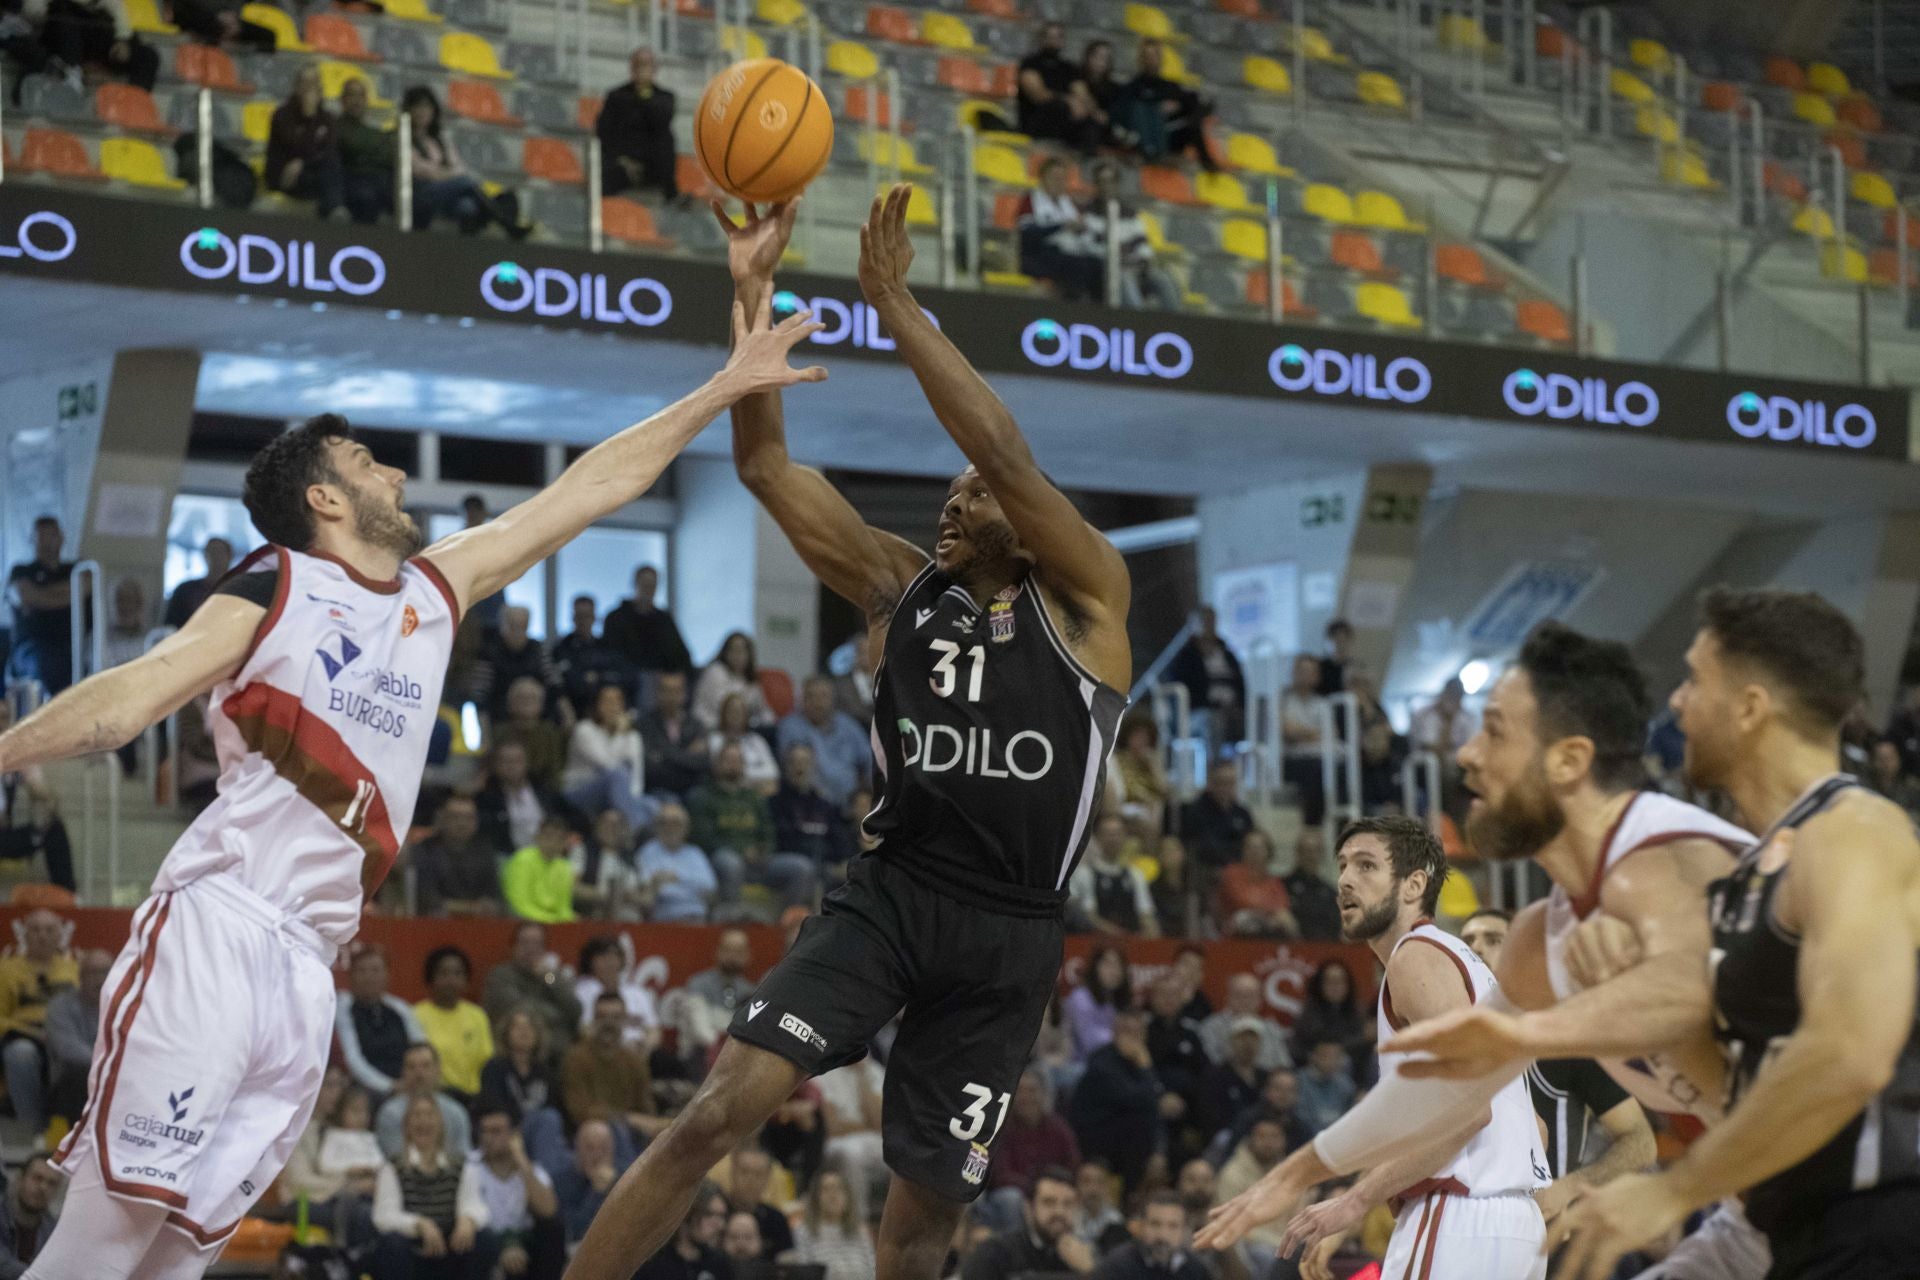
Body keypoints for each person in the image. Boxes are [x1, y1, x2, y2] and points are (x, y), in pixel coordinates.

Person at [566, 189, 1132, 1280]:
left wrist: (894, 302)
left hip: (1011, 934)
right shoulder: (894, 586)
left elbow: (1006, 450)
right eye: (951, 487)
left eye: (977, 492)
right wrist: (751, 289)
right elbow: (767, 470)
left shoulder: (1089, 603)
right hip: (892, 892)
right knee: (710, 1117)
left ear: (1031, 521)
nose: (957, 496)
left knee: (919, 1225)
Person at [1208, 623, 1766, 1280]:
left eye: (1495, 731)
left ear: (1566, 759)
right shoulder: (1538, 938)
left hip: (1847, 1195)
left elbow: (1848, 1061)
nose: (1466, 753)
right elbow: (1468, 1089)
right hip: (1752, 1214)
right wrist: (1305, 1175)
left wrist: (1673, 1189)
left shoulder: (1685, 868)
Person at [1540, 592, 1920, 1280]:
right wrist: (1634, 1000)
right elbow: (1737, 1089)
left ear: (1748, 708)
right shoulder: (1758, 867)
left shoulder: (1853, 829)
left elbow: (1851, 1052)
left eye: (1693, 680)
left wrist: (1673, 1189)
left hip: (1884, 1221)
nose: (1677, 703)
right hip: (1795, 1225)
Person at [1199, 817, 1549, 1279]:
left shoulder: (1415, 957)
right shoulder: (1465, 965)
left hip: (1458, 1217)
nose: (1345, 879)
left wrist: (1355, 1201)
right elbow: (1533, 1126)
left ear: (1413, 884)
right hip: (1510, 1225)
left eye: (1366, 866)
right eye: (1342, 865)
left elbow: (1469, 1109)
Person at [1457, 909, 1656, 1241]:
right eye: (1467, 942)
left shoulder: (1564, 1041)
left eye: (1492, 940)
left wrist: (1568, 1188)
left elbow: (1642, 1141)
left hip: (1547, 1238)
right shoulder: (1454, 1046)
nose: (1476, 949)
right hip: (1471, 1234)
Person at [370, 1094, 494, 1280]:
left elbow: (477, 1206)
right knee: (392, 1243)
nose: (423, 1121)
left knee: (484, 1238)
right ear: (406, 1126)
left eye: (429, 1115)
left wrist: (468, 1219)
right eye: (417, 1115)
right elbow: (383, 1216)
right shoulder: (393, 1167)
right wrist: (420, 1224)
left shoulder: (460, 1165)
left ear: (441, 1123)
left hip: (450, 1250)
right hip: (412, 1253)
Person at [692, 743, 814, 919]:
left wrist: (764, 850)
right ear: (717, 765)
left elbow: (768, 829)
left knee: (801, 867)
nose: (733, 764)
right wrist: (742, 852)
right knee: (731, 863)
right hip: (721, 861)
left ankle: (790, 925)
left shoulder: (753, 797)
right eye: (728, 760)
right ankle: (731, 919)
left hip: (758, 862)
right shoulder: (703, 797)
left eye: (738, 760)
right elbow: (704, 839)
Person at [397, 84, 529, 237]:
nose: (422, 112)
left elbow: (458, 168)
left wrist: (444, 175)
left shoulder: (439, 141)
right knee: (466, 182)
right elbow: (421, 171)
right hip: (423, 194)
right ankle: (506, 222)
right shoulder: (403, 139)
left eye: (427, 106)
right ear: (409, 110)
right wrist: (448, 176)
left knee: (467, 207)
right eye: (418, 106)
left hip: (449, 194)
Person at [1069, 1008, 1173, 1194]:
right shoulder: (1102, 1062)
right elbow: (1137, 1098)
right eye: (1127, 1032)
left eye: (1137, 1033)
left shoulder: (1137, 1060)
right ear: (1115, 1033)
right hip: (1093, 1137)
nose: (1133, 1040)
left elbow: (1152, 1106)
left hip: (1124, 1136)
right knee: (1139, 1125)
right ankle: (1131, 1198)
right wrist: (1145, 1066)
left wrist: (1159, 1150)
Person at [0, 909, 76, 1137]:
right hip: (24, 1036)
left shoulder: (74, 970)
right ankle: (32, 1132)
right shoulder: (6, 970)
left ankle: (74, 1132)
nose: (42, 936)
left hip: (67, 1036)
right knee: (20, 1053)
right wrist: (31, 1032)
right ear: (24, 935)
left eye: (49, 930)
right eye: (35, 930)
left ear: (60, 935)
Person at [469, 1102, 564, 1280]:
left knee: (554, 1228)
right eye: (484, 1131)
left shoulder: (531, 1169)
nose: (488, 1138)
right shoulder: (469, 1166)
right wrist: (503, 1247)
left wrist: (520, 1160)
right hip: (486, 1243)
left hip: (525, 1244)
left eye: (496, 1131)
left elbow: (549, 1210)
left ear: (514, 1135)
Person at [562, 992, 666, 1140]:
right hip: (592, 1136)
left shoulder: (634, 1060)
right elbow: (579, 1111)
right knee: (606, 1130)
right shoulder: (576, 1058)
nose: (609, 1024)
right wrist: (627, 1119)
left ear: (625, 1021)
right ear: (593, 1021)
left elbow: (646, 1109)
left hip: (632, 1135)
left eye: (616, 1017)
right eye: (602, 1017)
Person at [961, 1168, 1094, 1280]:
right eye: (1049, 1202)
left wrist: (1089, 1271)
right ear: (1028, 1208)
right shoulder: (995, 1252)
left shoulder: (1085, 1256)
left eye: (1068, 1204)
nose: (1059, 1212)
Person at [1081, 162, 1180, 310]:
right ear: (1096, 184)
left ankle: (1177, 327)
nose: (1106, 186)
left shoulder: (1130, 214)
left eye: (1111, 181)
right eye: (1102, 181)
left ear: (1117, 184)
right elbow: (1088, 246)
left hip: (1136, 267)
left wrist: (1141, 261)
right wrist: (1116, 258)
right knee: (1125, 278)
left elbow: (1143, 244)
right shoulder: (1087, 213)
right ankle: (1138, 324)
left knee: (1163, 278)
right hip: (1105, 271)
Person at [337, 944, 428, 1095]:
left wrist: (416, 1081)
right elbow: (353, 1060)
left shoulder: (400, 1009)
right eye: (362, 970)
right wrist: (390, 1087)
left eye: (375, 970)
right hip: (365, 1089)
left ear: (387, 975)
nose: (369, 977)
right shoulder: (343, 1010)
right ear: (351, 975)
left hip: (408, 1086)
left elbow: (421, 1048)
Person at [484, 922, 585, 1054]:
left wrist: (549, 977)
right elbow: (521, 1010)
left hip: (557, 1054)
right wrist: (556, 1015)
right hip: (513, 1052)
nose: (531, 949)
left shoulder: (550, 976)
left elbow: (575, 1009)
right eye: (525, 943)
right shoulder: (501, 976)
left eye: (537, 944)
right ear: (513, 947)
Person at [563, 684, 653, 832]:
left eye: (618, 702)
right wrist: (621, 732)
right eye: (607, 702)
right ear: (597, 705)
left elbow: (637, 774)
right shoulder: (584, 729)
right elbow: (607, 765)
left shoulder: (633, 735)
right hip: (580, 791)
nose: (613, 707)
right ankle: (634, 835)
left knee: (654, 806)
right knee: (617, 775)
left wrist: (632, 800)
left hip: (617, 793)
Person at [1119, 39, 1218, 169]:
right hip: (1145, 136)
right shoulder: (1132, 87)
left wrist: (1177, 106)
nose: (1152, 59)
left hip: (1169, 135)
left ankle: (1206, 162)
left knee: (1195, 113)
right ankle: (1154, 155)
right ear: (1141, 59)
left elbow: (1199, 103)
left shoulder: (1170, 86)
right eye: (1148, 55)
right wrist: (1156, 108)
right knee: (1142, 111)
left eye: (1155, 55)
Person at [1017, 158, 1105, 303]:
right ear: (1043, 179)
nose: (1059, 183)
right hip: (1039, 253)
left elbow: (1080, 231)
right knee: (1077, 266)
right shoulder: (1030, 200)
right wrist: (1060, 227)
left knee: (1097, 265)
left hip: (1067, 252)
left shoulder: (1067, 203)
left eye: (1062, 179)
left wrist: (1080, 229)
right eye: (1054, 178)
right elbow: (1026, 233)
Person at [413, 946, 494, 1101]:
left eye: (458, 974)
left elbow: (487, 1063)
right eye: (444, 973)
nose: (451, 980)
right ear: (431, 977)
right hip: (433, 1098)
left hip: (474, 1099)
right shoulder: (416, 1015)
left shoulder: (477, 1016)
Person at [5, 517, 74, 697]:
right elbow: (24, 595)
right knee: (48, 663)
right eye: (41, 536)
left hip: (73, 645)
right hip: (32, 648)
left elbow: (85, 586)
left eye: (52, 535)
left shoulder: (76, 569)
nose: (47, 541)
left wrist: (40, 596)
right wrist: (67, 594)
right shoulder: (20, 571)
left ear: (61, 537)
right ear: (32, 539)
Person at [776, 676, 869, 808]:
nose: (818, 703)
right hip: (811, 803)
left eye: (824, 696)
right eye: (811, 696)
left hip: (851, 801)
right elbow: (792, 767)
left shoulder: (848, 725)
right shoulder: (790, 726)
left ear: (833, 699)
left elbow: (870, 760)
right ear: (802, 700)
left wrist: (867, 791)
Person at [598, 47, 678, 200]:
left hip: (654, 166)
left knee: (667, 139)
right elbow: (604, 131)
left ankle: (672, 198)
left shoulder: (665, 97)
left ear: (654, 69)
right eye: (638, 64)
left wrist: (644, 93)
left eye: (646, 65)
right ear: (631, 68)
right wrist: (622, 160)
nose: (641, 69)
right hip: (621, 164)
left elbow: (661, 120)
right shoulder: (616, 96)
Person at [1211, 1118, 1296, 1256]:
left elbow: (1299, 1217)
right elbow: (1229, 1223)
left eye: (1274, 1136)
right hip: (1245, 1244)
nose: (1268, 1143)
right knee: (1263, 1253)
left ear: (1284, 1141)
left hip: (1284, 1245)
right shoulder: (1232, 1174)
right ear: (1250, 1140)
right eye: (1262, 1136)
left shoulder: (1293, 1173)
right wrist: (1277, 1242)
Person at [266, 67, 343, 218]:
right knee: (323, 175)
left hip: (312, 172)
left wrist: (303, 163)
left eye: (314, 83)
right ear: (296, 87)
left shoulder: (328, 118)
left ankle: (335, 210)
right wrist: (309, 117)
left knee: (330, 168)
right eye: (305, 83)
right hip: (286, 174)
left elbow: (329, 152)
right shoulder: (282, 115)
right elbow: (294, 148)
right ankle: (334, 209)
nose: (309, 88)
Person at [376, 1042, 473, 1162]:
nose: (419, 1073)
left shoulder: (456, 1112)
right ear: (403, 1073)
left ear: (438, 1071)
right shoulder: (390, 1114)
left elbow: (463, 1159)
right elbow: (395, 1159)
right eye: (412, 1067)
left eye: (426, 1066)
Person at [43, 947, 107, 1127]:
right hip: (69, 1082)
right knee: (79, 1073)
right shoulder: (60, 1006)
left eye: (106, 972)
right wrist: (108, 1065)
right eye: (93, 973)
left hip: (111, 1075)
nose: (100, 979)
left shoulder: (124, 1007)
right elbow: (68, 1050)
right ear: (80, 976)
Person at [411, 796, 505, 916]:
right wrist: (470, 908)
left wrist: (488, 905)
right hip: (433, 924)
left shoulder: (485, 850)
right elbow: (426, 898)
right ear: (442, 819)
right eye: (455, 817)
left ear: (476, 821)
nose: (462, 824)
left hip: (478, 923)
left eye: (468, 818)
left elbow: (494, 896)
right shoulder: (424, 849)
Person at [769, 743, 857, 872]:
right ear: (785, 767)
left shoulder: (824, 804)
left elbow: (838, 837)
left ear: (813, 767)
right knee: (804, 867)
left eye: (804, 762)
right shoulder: (776, 802)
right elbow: (783, 841)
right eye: (794, 762)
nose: (799, 768)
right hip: (794, 863)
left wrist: (843, 861)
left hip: (826, 862)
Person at [1167, 607, 1243, 752]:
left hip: (1230, 709)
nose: (1208, 625)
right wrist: (1212, 704)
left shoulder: (1227, 654)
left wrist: (1238, 706)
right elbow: (1181, 689)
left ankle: (1247, 768)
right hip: (1197, 712)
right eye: (1204, 621)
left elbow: (1241, 685)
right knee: (1213, 720)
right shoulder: (1185, 656)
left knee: (1253, 719)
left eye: (1211, 621)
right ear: (1193, 625)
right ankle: (1213, 767)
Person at [474, 740, 568, 858]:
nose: (511, 766)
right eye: (506, 761)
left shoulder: (544, 791)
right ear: (496, 765)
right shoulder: (487, 798)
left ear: (526, 763)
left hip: (547, 854)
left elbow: (570, 817)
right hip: (508, 856)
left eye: (517, 761)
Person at [474, 612, 564, 730]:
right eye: (512, 626)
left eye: (522, 626)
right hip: (500, 719)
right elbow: (479, 695)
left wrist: (566, 713)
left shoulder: (538, 649)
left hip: (540, 718)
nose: (517, 632)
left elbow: (555, 685)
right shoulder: (489, 652)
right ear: (503, 626)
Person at [603, 566, 693, 684]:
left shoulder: (664, 620)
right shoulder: (616, 618)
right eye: (645, 585)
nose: (648, 590)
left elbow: (681, 655)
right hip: (627, 682)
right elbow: (612, 655)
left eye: (652, 585)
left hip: (662, 683)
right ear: (635, 584)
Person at [1070, 816, 1157, 937]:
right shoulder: (1084, 874)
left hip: (1130, 943)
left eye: (1117, 833)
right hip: (1094, 942)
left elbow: (1146, 914)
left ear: (1125, 837)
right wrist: (1119, 935)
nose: (1113, 839)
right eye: (1108, 834)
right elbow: (1089, 916)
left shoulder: (1135, 875)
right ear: (1097, 838)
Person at [574, 935, 660, 1050]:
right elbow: (583, 1030)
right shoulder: (581, 992)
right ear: (590, 961)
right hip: (601, 1050)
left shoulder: (638, 993)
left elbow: (653, 1030)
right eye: (602, 956)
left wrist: (645, 1047)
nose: (609, 961)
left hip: (638, 1051)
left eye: (614, 956)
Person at [636, 802, 717, 923]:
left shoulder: (695, 853)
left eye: (676, 823)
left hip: (696, 916)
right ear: (656, 827)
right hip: (663, 917)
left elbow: (709, 887)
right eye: (664, 823)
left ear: (686, 828)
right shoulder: (647, 852)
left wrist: (677, 878)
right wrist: (691, 887)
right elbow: (650, 888)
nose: (670, 828)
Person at [1016, 23, 1093, 148]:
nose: (1053, 41)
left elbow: (1082, 94)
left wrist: (1088, 108)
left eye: (1057, 37)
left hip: (1065, 122)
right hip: (1036, 119)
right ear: (1041, 39)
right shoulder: (1030, 64)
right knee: (1060, 107)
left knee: (1091, 123)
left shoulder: (1068, 68)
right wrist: (1068, 101)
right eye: (1049, 37)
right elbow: (1037, 95)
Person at [632, 1184, 731, 1280]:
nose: (720, 1225)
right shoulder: (653, 1263)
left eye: (722, 1216)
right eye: (709, 1214)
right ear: (688, 1213)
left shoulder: (719, 1263)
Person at [790, 1168, 875, 1280]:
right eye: (826, 1189)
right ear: (815, 1197)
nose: (833, 1195)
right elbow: (805, 1274)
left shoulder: (860, 1232)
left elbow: (874, 1273)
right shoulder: (802, 1232)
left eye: (839, 1188)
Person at [480, 1008, 556, 1128]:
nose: (524, 1032)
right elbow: (493, 1106)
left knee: (550, 1117)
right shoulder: (494, 1068)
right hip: (506, 1130)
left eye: (530, 1027)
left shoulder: (545, 1072)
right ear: (506, 1033)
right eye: (517, 1027)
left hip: (538, 1129)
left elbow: (553, 1106)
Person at [639, 669, 709, 799]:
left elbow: (702, 763)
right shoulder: (645, 725)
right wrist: (686, 754)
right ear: (658, 693)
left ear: (685, 693)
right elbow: (651, 768)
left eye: (676, 691)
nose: (671, 696)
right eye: (666, 691)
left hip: (691, 789)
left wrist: (664, 753)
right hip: (658, 790)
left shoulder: (696, 725)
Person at [1215, 829, 1297, 939]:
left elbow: (1283, 910)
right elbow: (1242, 902)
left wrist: (1273, 916)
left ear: (1269, 852)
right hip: (1235, 935)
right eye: (1250, 847)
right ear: (1243, 851)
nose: (1255, 852)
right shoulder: (1231, 874)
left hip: (1267, 933)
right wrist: (1270, 913)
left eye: (1259, 848)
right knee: (1243, 918)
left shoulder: (1274, 882)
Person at [1198, 974, 1288, 1072]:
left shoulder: (1271, 1029)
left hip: (1267, 1084)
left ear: (1260, 1000)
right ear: (1228, 997)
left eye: (1250, 995)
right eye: (1239, 994)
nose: (1245, 1000)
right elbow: (1212, 1063)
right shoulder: (1211, 1027)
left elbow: (1284, 1066)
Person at [335, 77, 394, 225]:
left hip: (378, 181)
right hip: (350, 182)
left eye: (360, 95)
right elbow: (352, 149)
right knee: (366, 197)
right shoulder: (335, 127)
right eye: (352, 95)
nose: (356, 100)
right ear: (342, 100)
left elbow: (389, 156)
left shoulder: (374, 132)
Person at [1196, 1018, 1267, 1142]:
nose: (1248, 1044)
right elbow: (1208, 1115)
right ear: (1231, 1042)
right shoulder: (1215, 1075)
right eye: (1242, 1038)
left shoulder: (1266, 1077)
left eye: (1253, 1039)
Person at [502, 812, 580, 924]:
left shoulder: (564, 867)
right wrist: (553, 921)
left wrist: (572, 919)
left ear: (564, 843)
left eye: (559, 838)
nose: (553, 842)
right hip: (524, 923)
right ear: (538, 836)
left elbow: (563, 908)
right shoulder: (523, 860)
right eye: (549, 836)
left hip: (554, 924)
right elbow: (519, 905)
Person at [1288, 961, 1365, 1072]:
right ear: (1320, 985)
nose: (1335, 987)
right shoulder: (1308, 1013)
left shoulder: (1357, 1012)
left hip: (1351, 1068)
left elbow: (1361, 1044)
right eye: (1330, 982)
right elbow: (1300, 1048)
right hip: (1313, 1068)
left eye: (1340, 982)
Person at [1279, 655, 1329, 827]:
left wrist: (1302, 733)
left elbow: (1331, 733)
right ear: (1293, 672)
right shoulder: (1283, 700)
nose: (1306, 675)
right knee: (1315, 769)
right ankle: (1311, 825)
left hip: (1320, 757)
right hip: (1291, 760)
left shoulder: (1323, 703)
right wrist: (1314, 734)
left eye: (1311, 671)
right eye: (1302, 671)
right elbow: (1287, 732)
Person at [497, 676, 568, 792]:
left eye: (532, 698)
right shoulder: (500, 732)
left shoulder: (550, 732)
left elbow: (556, 770)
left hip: (543, 792)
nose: (526, 703)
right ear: (510, 703)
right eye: (521, 698)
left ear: (541, 704)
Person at [1179, 761, 1253, 870]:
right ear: (1211, 784)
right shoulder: (1196, 811)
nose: (1226, 788)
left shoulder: (1242, 813)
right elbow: (1203, 845)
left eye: (1231, 783)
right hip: (1206, 868)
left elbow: (1247, 841)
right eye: (1222, 782)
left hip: (1238, 869)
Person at [1063, 944, 1132, 1062]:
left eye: (1119, 965)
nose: (1114, 971)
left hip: (1115, 1063)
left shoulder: (1118, 1000)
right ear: (1095, 967)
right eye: (1108, 964)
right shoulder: (1080, 998)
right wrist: (1123, 1041)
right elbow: (1090, 1041)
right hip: (1082, 1065)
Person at [692, 633, 770, 732]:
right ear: (726, 652)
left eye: (742, 650)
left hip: (740, 732)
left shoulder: (751, 680)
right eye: (733, 650)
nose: (738, 655)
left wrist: (763, 721)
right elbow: (727, 711)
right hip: (708, 727)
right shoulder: (715, 671)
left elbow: (765, 711)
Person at [724, 1147, 793, 1259]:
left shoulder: (777, 1220)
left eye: (758, 1174)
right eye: (744, 1171)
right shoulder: (716, 1213)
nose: (750, 1180)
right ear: (732, 1172)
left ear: (767, 1178)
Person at [0, 1156, 62, 1277]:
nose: (43, 1187)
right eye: (37, 1178)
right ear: (20, 1179)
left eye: (51, 1183)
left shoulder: (54, 1232)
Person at [709, 694, 779, 795]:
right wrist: (754, 782)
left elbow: (772, 773)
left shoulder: (757, 740)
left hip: (759, 794)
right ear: (724, 713)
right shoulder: (715, 739)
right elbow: (721, 771)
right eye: (732, 710)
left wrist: (745, 779)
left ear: (747, 715)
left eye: (740, 711)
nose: (736, 714)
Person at [162, 537, 232, 627]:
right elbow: (170, 626)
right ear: (204, 556)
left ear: (229, 556)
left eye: (220, 553)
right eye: (212, 552)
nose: (216, 558)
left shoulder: (240, 591)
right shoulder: (185, 590)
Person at [168, 0, 272, 50]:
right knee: (210, 23)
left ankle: (259, 82)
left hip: (227, 18)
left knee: (267, 36)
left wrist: (233, 16)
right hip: (191, 12)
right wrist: (219, 16)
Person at [1146, 836, 1195, 938]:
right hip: (1164, 940)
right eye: (1166, 851)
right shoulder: (1152, 889)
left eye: (1174, 850)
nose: (1170, 855)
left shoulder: (1194, 887)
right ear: (1159, 856)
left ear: (1183, 854)